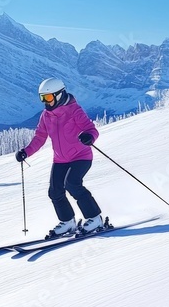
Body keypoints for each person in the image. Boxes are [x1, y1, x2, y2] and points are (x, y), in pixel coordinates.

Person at [15, 77, 104, 238]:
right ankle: (67, 221)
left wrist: (89, 137)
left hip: (81, 156)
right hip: (60, 159)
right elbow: (40, 137)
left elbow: (91, 129)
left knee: (72, 184)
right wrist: (26, 152)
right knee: (55, 191)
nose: (45, 102)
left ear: (59, 94)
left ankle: (95, 218)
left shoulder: (74, 110)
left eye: (48, 98)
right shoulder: (46, 116)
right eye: (42, 98)